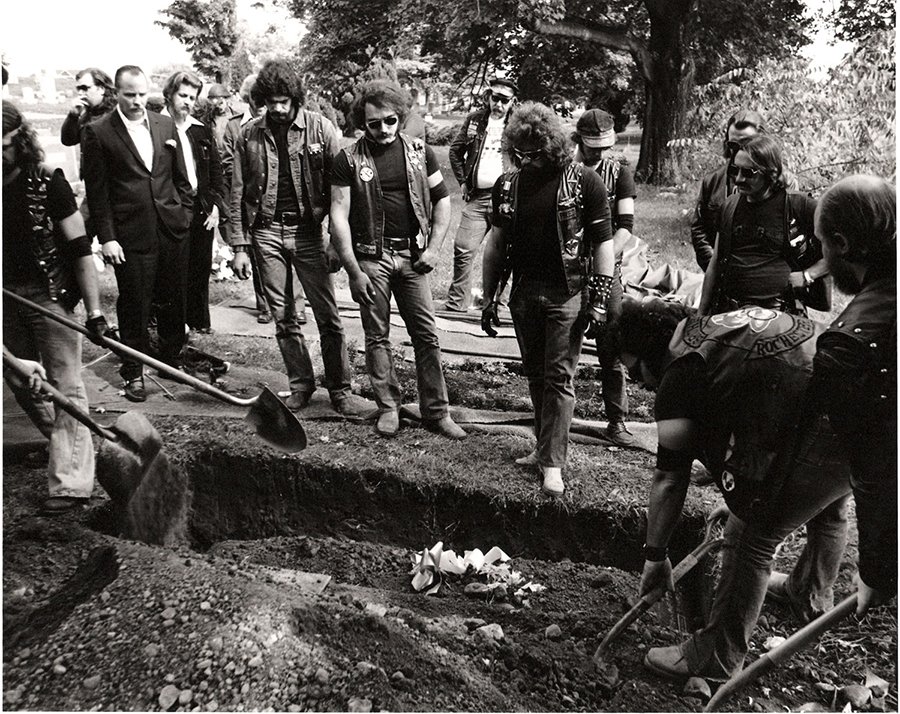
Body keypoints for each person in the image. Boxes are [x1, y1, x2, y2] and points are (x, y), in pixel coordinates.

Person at [612, 295, 852, 682]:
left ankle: (716, 659)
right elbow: (754, 411)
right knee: (829, 502)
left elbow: (670, 480)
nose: (639, 381)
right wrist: (741, 487)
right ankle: (809, 591)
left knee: (750, 532)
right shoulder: (707, 332)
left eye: (635, 368)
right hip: (861, 394)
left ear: (648, 350)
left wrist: (655, 556)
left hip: (825, 416)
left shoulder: (679, 374)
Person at [481, 102, 615, 497]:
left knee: (559, 377)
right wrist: (489, 297)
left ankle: (553, 464)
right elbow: (496, 244)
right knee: (536, 375)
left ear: (553, 146)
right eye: (519, 153)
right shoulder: (508, 184)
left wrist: (600, 300)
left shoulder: (584, 182)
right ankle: (543, 450)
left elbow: (603, 244)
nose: (526, 161)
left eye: (535, 153)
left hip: (567, 292)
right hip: (524, 292)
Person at [329, 79, 467, 440]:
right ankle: (388, 408)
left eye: (390, 120)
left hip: (412, 257)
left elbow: (443, 200)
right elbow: (338, 216)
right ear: (362, 123)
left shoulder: (421, 152)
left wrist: (433, 248)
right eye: (374, 124)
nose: (384, 129)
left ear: (400, 116)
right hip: (371, 259)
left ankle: (436, 412)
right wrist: (354, 271)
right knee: (377, 337)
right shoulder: (348, 159)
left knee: (427, 335)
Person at [229, 59, 367, 417]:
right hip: (266, 233)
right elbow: (238, 190)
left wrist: (336, 241)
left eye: (283, 101)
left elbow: (341, 190)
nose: (277, 108)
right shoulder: (249, 134)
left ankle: (340, 389)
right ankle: (301, 385)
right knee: (283, 316)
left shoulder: (320, 128)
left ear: (295, 97)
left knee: (327, 315)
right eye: (270, 102)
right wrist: (240, 246)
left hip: (309, 234)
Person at [3, 102, 109, 514]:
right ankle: (65, 446)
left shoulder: (48, 183)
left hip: (50, 295)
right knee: (21, 380)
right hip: (5, 296)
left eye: (4, 146)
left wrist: (95, 312)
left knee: (66, 384)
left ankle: (70, 483)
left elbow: (81, 251)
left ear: (20, 140)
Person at [807, 175, 896, 616]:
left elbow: (876, 467)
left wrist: (878, 571)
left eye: (821, 243)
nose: (821, 254)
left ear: (841, 244)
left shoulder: (849, 344)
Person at [82, 64, 194, 402]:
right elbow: (97, 193)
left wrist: (184, 215)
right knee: (135, 305)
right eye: (130, 95)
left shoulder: (164, 124)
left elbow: (180, 177)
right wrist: (108, 237)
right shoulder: (99, 132)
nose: (137, 101)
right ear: (116, 93)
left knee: (174, 299)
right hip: (130, 235)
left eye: (142, 94)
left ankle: (171, 361)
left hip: (170, 228)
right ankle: (133, 372)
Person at [698, 134, 831, 317]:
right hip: (730, 314)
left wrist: (808, 275)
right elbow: (715, 265)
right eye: (735, 170)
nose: (738, 179)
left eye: (748, 173)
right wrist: (701, 314)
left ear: (771, 173)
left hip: (780, 316)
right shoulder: (729, 206)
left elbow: (843, 248)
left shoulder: (798, 206)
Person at [572, 108, 637, 447]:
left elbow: (625, 227)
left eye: (604, 146)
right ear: (578, 140)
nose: (599, 152)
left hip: (607, 269)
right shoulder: (564, 172)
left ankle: (617, 420)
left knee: (611, 347)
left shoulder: (619, 173)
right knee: (563, 348)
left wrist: (604, 256)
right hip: (568, 270)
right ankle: (556, 419)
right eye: (592, 146)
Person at [160, 70, 228, 334]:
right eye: (182, 95)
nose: (187, 101)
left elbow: (215, 170)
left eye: (192, 97)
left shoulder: (199, 130)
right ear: (170, 94)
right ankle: (176, 323)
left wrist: (215, 205)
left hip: (201, 207)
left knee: (200, 265)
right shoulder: (158, 127)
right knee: (175, 268)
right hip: (172, 207)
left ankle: (199, 320)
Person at [444, 76, 518, 312]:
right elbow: (455, 151)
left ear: (512, 101)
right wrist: (462, 182)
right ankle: (457, 303)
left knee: (506, 252)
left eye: (504, 100)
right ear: (488, 97)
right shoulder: (475, 120)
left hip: (507, 199)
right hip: (478, 196)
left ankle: (497, 304)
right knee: (463, 247)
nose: (499, 104)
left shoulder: (518, 124)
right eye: (495, 98)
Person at [221, 73, 274, 325]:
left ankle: (294, 305)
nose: (261, 102)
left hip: (272, 194)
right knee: (256, 251)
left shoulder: (276, 122)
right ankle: (265, 305)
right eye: (256, 97)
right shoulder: (235, 126)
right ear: (247, 98)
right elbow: (227, 162)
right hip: (247, 195)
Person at [690, 109, 763, 271]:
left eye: (746, 143)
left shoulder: (782, 183)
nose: (739, 150)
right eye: (733, 145)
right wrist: (715, 268)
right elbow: (699, 230)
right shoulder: (712, 181)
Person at [60, 67, 117, 149]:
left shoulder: (117, 113)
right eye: (78, 89)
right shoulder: (88, 114)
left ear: (101, 89)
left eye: (84, 88)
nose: (80, 93)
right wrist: (73, 116)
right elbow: (68, 140)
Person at [206, 83, 232, 155]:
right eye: (215, 105)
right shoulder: (206, 119)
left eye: (221, 103)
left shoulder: (236, 119)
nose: (219, 107)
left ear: (227, 100)